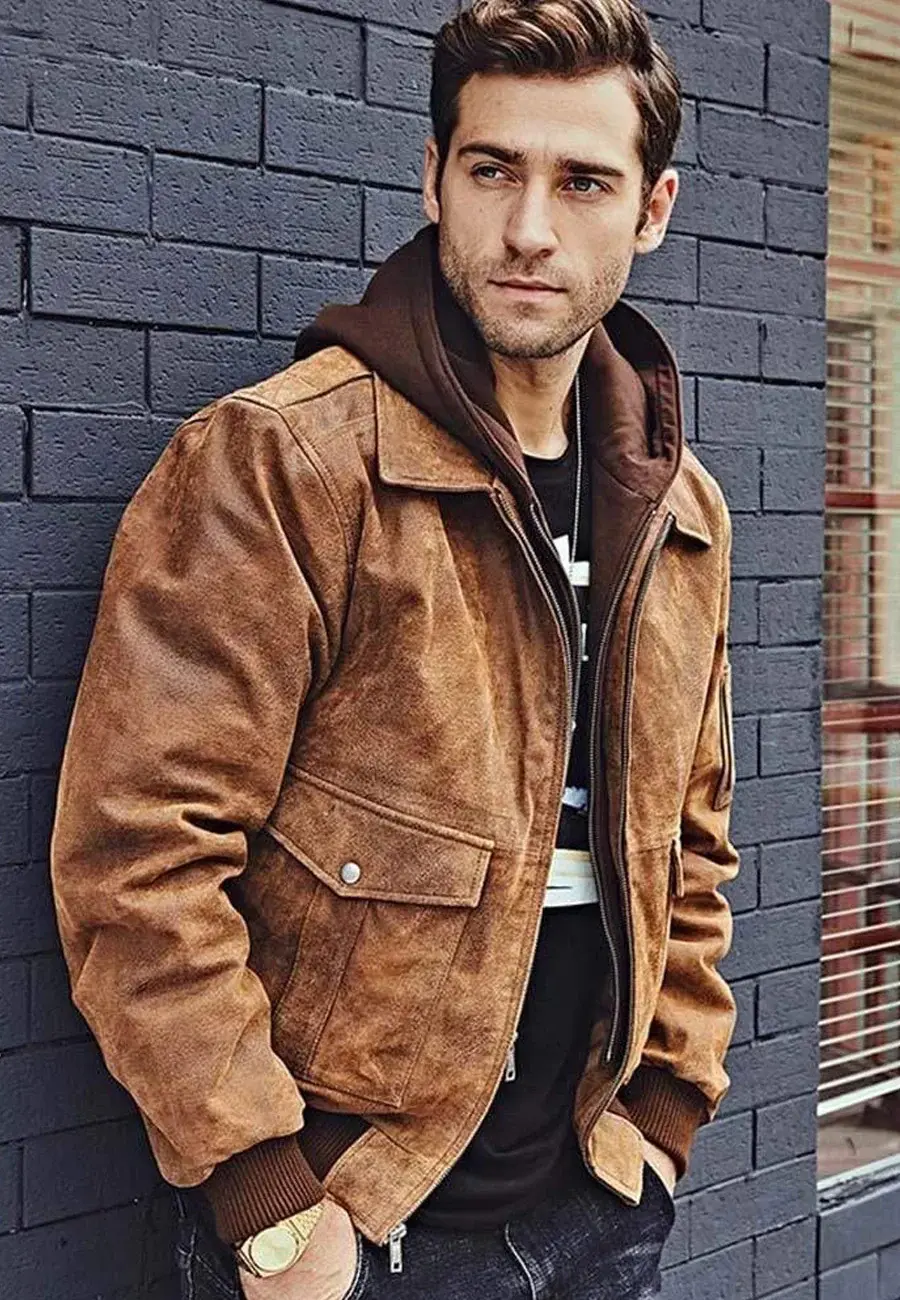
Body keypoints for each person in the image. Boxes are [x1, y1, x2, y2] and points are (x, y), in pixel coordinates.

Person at [49, 0, 741, 1295]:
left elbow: (692, 842)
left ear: (652, 210)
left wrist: (665, 1111)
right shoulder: (285, 464)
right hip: (357, 1225)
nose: (529, 228)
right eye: (493, 169)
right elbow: (137, 854)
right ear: (433, 178)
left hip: (599, 1210)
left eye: (583, 182)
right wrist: (269, 1204)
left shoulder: (679, 513)